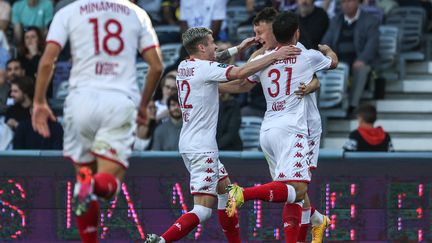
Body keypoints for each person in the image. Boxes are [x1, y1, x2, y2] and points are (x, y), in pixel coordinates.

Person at [145, 26, 298, 243]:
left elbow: (214, 57)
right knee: (203, 210)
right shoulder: (206, 69)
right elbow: (239, 73)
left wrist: (239, 48)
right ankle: (161, 241)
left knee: (226, 196)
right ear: (201, 47)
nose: (216, 45)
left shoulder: (184, 65)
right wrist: (275, 55)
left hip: (191, 142)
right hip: (202, 148)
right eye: (211, 42)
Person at [31, 0, 163, 242]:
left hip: (79, 102)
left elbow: (48, 61)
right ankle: (92, 185)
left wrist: (39, 101)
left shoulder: (68, 11)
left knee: (83, 182)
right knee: (106, 185)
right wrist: (143, 105)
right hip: (118, 103)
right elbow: (156, 66)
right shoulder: (136, 13)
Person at [223, 12, 337, 243]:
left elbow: (312, 79)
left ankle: (314, 222)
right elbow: (330, 65)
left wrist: (211, 85)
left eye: (260, 32)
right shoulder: (296, 54)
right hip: (293, 128)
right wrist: (327, 51)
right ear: (295, 32)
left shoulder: (271, 56)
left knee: (293, 191)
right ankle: (244, 193)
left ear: (274, 31)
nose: (257, 37)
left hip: (287, 127)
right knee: (295, 190)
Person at [322, 0, 379, 113]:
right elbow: (326, 42)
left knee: (360, 69)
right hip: (339, 59)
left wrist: (362, 59)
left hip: (359, 59)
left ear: (358, 2)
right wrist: (328, 55)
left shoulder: (370, 20)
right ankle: (326, 102)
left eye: (349, 1)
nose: (346, 4)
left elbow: (373, 44)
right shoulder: (336, 20)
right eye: (343, 2)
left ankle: (352, 105)